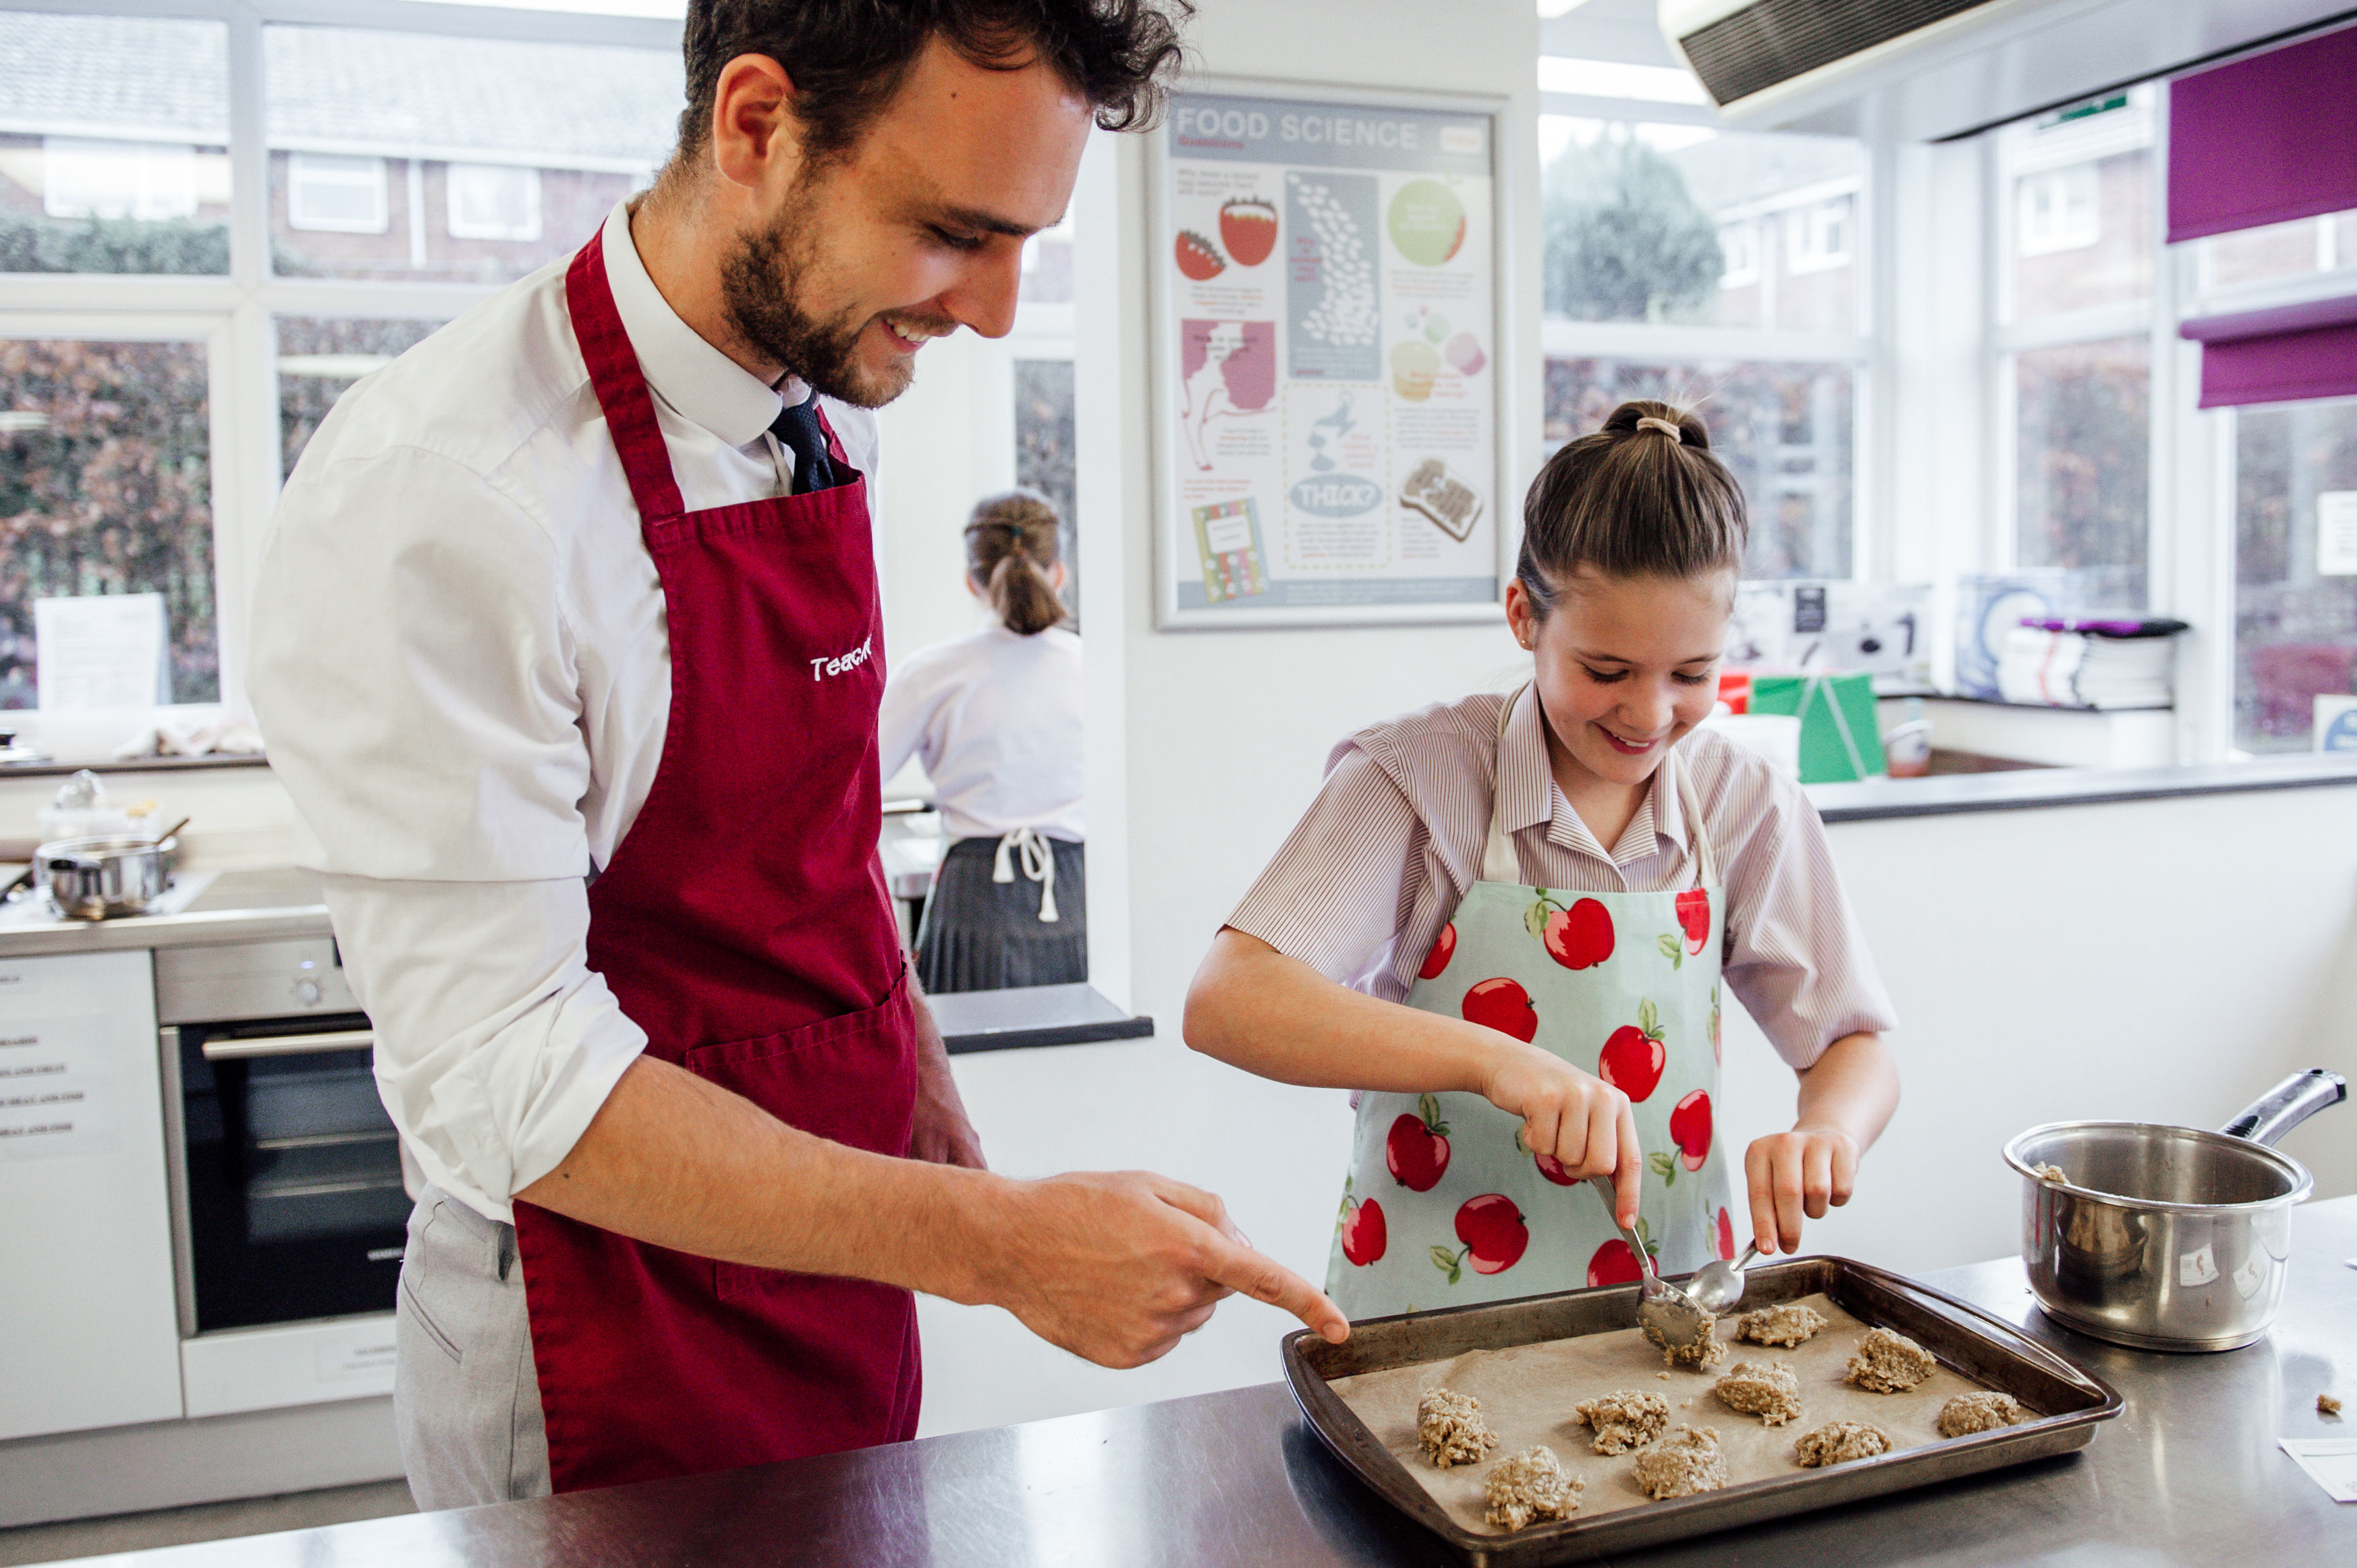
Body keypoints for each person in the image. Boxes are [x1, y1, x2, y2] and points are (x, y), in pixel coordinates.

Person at [249, 0, 1346, 1511]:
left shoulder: (819, 416)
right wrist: (999, 1242)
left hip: (827, 1269)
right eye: (954, 233)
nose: (996, 313)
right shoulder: (452, 497)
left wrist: (920, 1083)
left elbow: (811, 839)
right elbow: (507, 1075)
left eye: (1025, 244)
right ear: (757, 125)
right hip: (598, 1321)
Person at [1184, 400, 1901, 1318]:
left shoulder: (1743, 801)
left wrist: (1828, 1129)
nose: (1650, 714)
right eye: (1606, 671)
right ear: (1523, 616)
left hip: (1669, 1299)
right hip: (1432, 1307)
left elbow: (1851, 1044)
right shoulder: (1418, 778)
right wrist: (1497, 1062)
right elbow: (1228, 1000)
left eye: (1692, 675)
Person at [880, 489, 1086, 992]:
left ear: (972, 581)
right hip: (1082, 895)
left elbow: (852, 784)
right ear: (1060, 573)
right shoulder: (1096, 666)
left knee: (971, 1042)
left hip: (975, 899)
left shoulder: (932, 672)